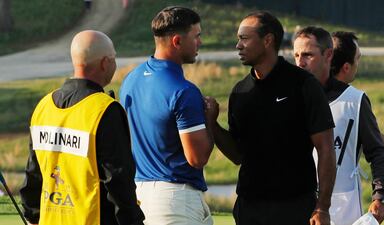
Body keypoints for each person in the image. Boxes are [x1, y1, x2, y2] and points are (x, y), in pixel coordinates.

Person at [206, 11, 336, 225]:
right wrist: (213, 125)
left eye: (244, 38)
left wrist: (322, 207)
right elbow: (238, 155)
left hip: (295, 207)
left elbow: (325, 148)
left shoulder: (303, 84)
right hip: (249, 208)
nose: (238, 45)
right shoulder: (240, 92)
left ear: (268, 40)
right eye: (239, 38)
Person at [20, 30, 145, 225]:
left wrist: (32, 214)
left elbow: (34, 174)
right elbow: (118, 181)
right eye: (113, 58)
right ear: (105, 63)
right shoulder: (105, 109)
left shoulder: (44, 106)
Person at [119, 6, 215, 225]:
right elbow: (197, 158)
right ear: (177, 41)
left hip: (140, 194)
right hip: (174, 201)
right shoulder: (184, 91)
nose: (200, 42)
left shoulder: (130, 79)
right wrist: (210, 119)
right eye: (196, 36)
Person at [293, 27, 384, 225]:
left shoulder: (356, 100)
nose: (300, 62)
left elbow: (378, 151)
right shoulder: (290, 96)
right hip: (296, 202)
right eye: (296, 55)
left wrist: (380, 195)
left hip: (343, 206)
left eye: (307, 55)